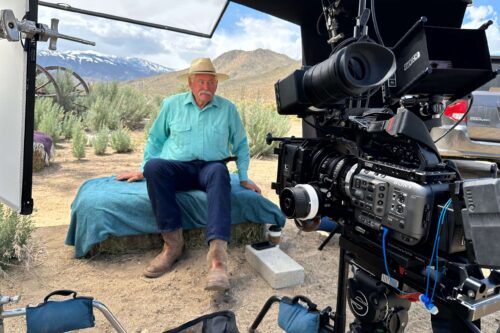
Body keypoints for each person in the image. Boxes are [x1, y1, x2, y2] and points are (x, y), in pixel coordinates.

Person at [116, 58, 260, 291]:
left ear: (216, 85)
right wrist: (144, 169)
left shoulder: (227, 109)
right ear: (190, 83)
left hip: (211, 167)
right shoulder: (171, 105)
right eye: (201, 81)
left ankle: (217, 259)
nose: (207, 87)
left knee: (219, 172)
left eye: (211, 82)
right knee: (154, 167)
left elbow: (241, 144)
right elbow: (156, 139)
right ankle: (172, 246)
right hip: (178, 168)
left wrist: (243, 176)